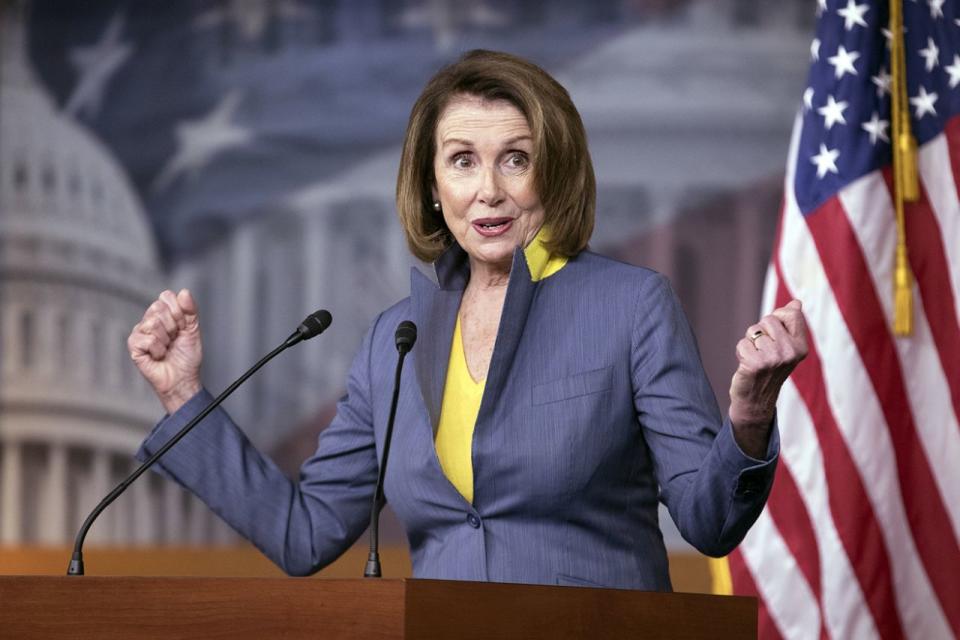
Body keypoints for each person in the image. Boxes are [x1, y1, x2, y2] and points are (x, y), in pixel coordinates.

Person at [129, 50, 807, 590]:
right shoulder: (394, 342)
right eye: (462, 161)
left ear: (556, 173)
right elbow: (304, 536)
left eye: (517, 159)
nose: (489, 189)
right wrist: (182, 396)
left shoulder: (632, 307)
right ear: (431, 185)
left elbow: (710, 520)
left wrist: (748, 418)